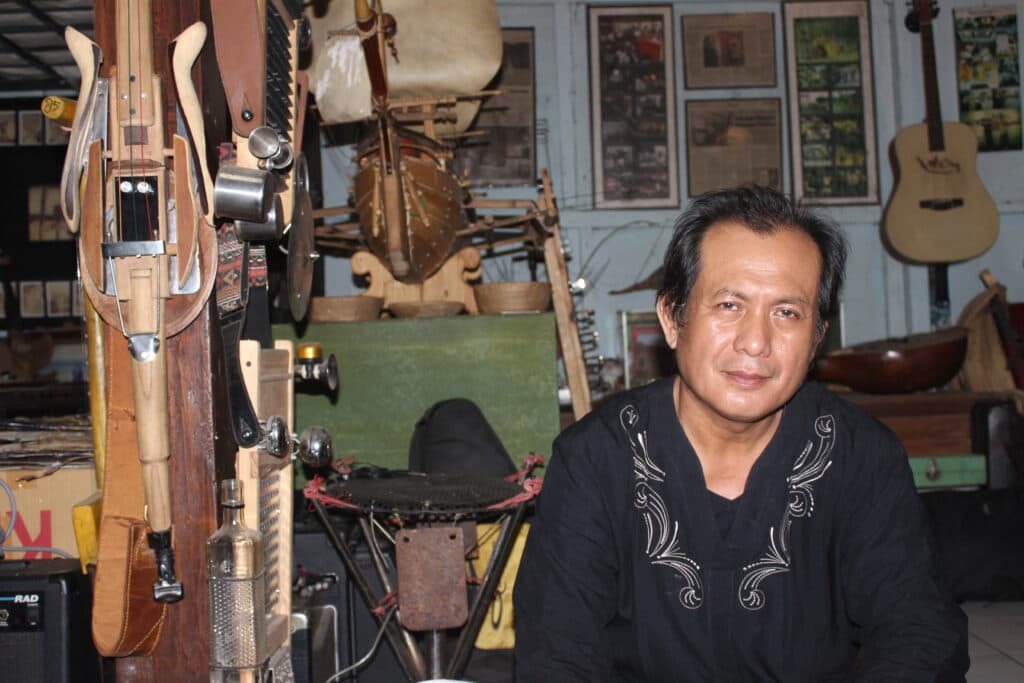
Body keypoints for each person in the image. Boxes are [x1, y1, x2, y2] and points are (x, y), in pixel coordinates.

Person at [513, 186, 968, 682]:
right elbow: (556, 655)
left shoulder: (861, 457)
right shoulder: (595, 460)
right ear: (672, 318)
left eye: (787, 313)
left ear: (817, 337)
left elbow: (920, 636)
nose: (755, 342)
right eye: (730, 305)